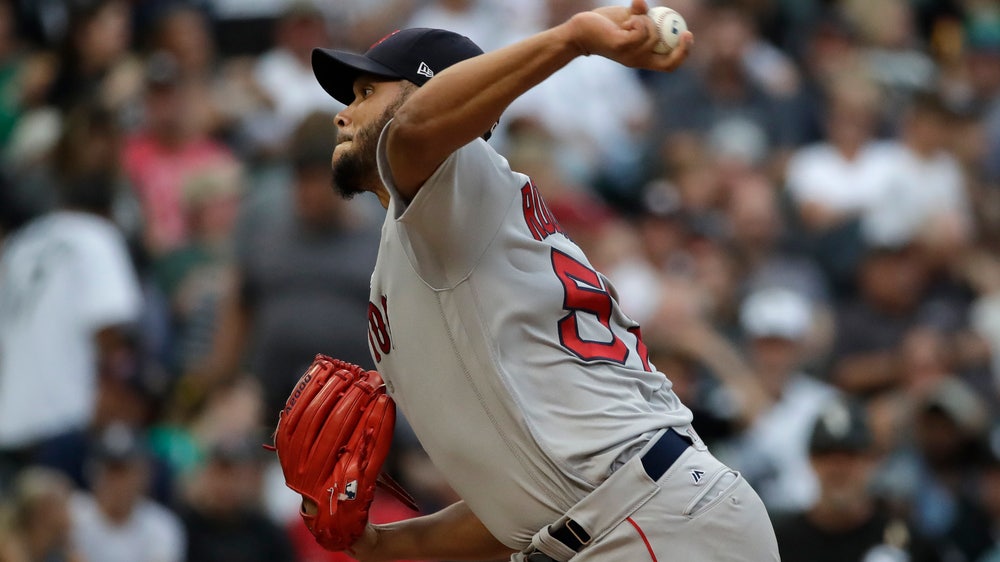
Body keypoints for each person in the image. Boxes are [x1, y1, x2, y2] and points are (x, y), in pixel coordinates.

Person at [305, 2, 779, 560]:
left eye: (367, 92)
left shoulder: (456, 175)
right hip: (628, 516)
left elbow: (413, 128)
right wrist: (380, 546)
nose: (342, 114)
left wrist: (573, 38)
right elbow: (520, 506)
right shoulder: (426, 236)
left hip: (652, 518)